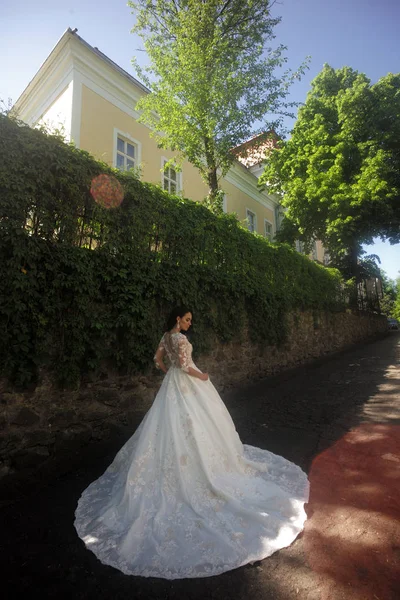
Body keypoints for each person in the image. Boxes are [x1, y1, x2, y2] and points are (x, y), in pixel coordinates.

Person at [74, 307, 309, 579]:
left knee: (167, 427)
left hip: (171, 384)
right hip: (188, 382)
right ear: (177, 318)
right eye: (186, 319)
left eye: (190, 321)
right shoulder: (181, 340)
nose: (188, 323)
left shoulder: (165, 337)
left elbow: (157, 360)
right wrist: (203, 376)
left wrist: (168, 371)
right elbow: (186, 366)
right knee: (197, 426)